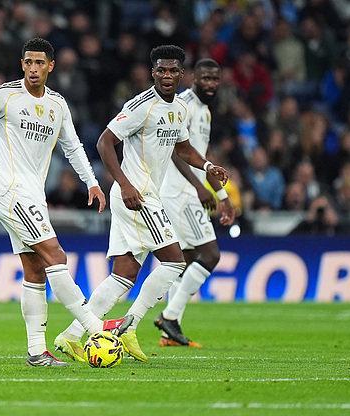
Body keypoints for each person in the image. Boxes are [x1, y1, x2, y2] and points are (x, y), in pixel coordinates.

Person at [0, 38, 132, 367]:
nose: (33, 68)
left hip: (33, 195)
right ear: (22, 64)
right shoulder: (4, 95)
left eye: (39, 63)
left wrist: (91, 182)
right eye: (28, 62)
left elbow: (73, 146)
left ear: (50, 66)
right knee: (56, 255)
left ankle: (37, 351)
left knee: (36, 268)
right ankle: (96, 328)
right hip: (10, 190)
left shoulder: (57, 104)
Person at [54, 45, 228, 363]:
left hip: (144, 195)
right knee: (174, 262)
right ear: (153, 72)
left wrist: (207, 166)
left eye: (173, 70)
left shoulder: (180, 108)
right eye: (161, 70)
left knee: (123, 275)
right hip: (137, 196)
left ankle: (70, 336)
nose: (166, 75)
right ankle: (129, 327)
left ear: (181, 74)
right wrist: (124, 183)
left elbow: (183, 148)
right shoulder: (141, 105)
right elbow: (105, 141)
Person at [156, 59, 235, 348]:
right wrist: (199, 188)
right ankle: (169, 317)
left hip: (186, 192)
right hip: (180, 193)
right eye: (205, 78)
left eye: (215, 79)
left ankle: (169, 333)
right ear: (193, 78)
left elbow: (203, 158)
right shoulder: (184, 105)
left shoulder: (205, 111)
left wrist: (223, 196)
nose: (211, 84)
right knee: (211, 255)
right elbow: (176, 151)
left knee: (185, 261)